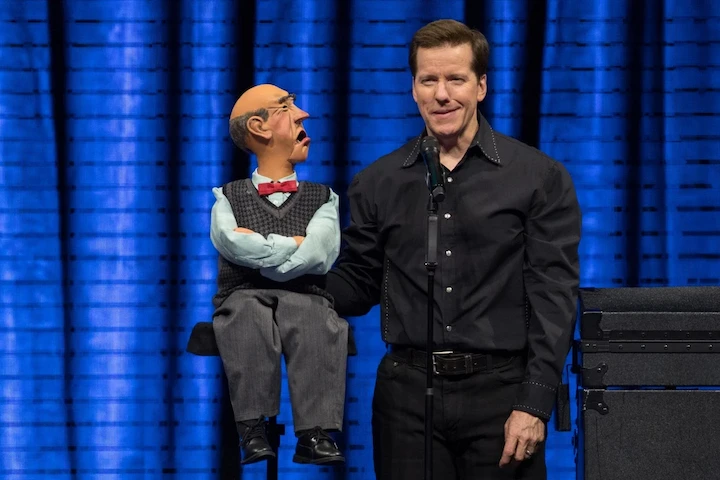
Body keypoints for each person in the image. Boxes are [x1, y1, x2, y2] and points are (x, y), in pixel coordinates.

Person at [325, 19, 582, 479]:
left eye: (456, 79)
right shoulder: (378, 182)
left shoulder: (537, 177)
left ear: (481, 86)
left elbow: (554, 296)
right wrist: (290, 281)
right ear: (413, 89)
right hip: (406, 398)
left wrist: (534, 402)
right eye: (429, 80)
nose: (441, 94)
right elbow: (360, 282)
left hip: (502, 395)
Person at [209, 84, 348, 466]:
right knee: (244, 318)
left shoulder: (323, 197)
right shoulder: (228, 196)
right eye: (286, 107)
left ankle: (315, 432)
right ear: (259, 127)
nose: (303, 114)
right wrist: (293, 244)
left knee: (316, 320)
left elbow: (319, 254)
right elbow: (232, 242)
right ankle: (252, 428)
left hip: (306, 294)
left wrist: (265, 251)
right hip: (242, 294)